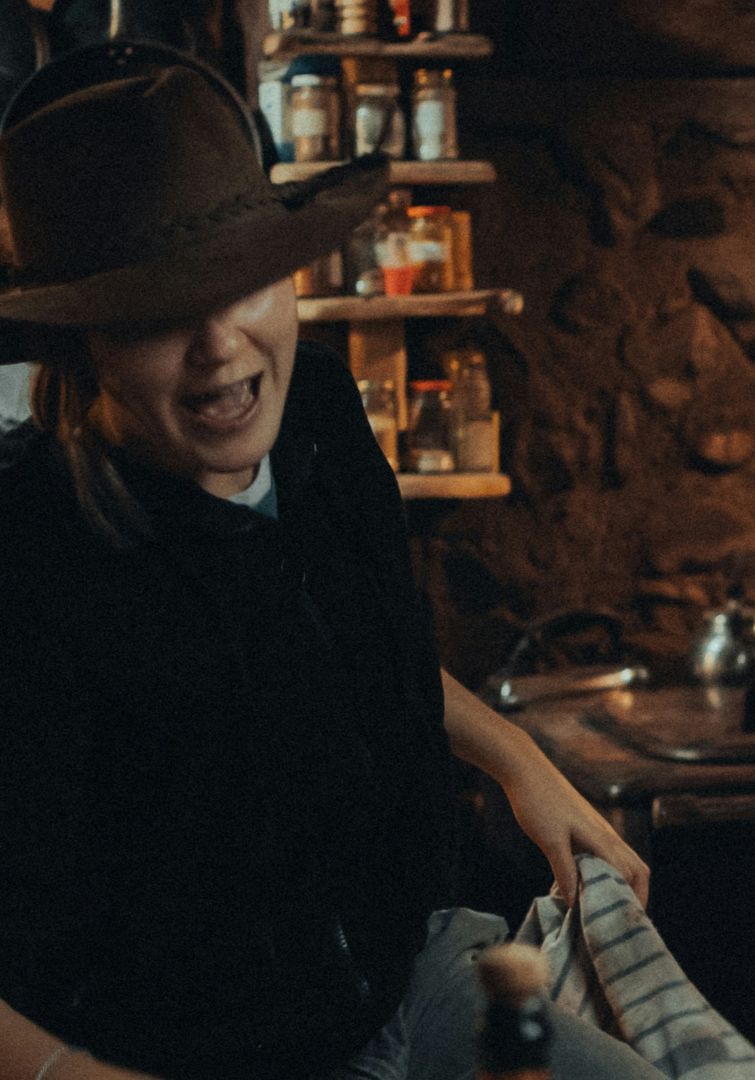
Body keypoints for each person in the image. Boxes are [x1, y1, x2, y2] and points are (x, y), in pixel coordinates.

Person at [0, 48, 670, 1080]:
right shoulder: (33, 558)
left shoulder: (315, 402)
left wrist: (519, 762)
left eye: (244, 284)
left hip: (415, 973)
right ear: (81, 343)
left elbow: (357, 644)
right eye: (156, 316)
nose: (221, 346)